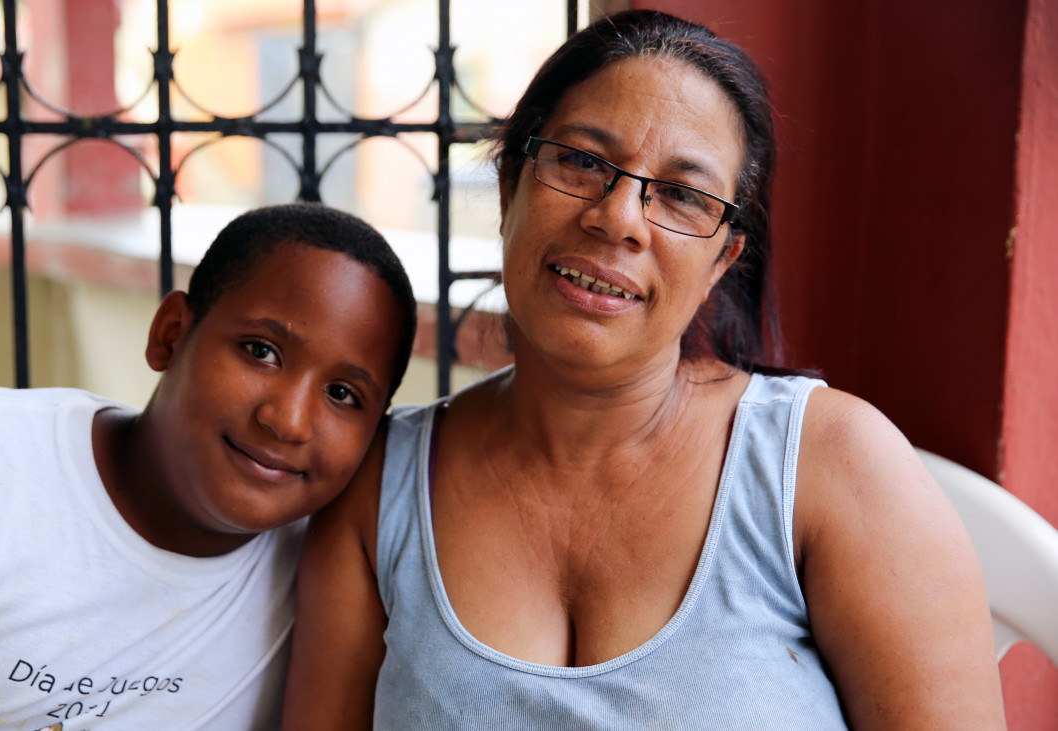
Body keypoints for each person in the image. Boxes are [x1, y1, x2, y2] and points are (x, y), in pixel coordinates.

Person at [282, 10, 1005, 730]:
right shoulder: (379, 488)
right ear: (509, 187)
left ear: (722, 260)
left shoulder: (833, 465)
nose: (619, 218)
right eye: (582, 161)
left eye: (683, 195)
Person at [0, 203, 417, 730]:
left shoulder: (335, 582)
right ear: (170, 334)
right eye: (260, 350)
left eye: (343, 394)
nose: (289, 420)